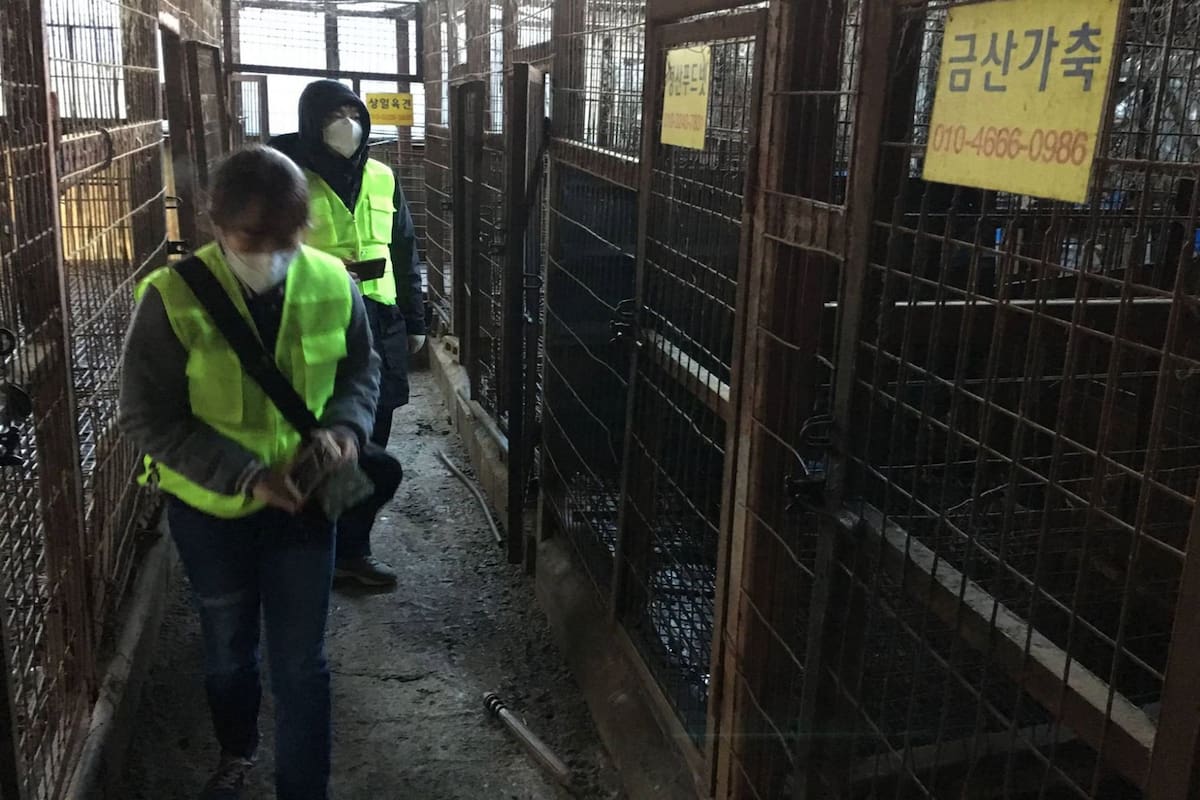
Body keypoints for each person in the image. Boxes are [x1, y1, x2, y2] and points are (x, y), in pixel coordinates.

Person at [118, 145, 380, 800]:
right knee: (230, 651)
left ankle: (303, 789)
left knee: (301, 664)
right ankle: (237, 748)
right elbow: (148, 418)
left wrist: (346, 433)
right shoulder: (171, 300)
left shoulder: (331, 281)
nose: (271, 251)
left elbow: (359, 371)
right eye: (252, 238)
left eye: (286, 236)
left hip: (306, 504)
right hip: (211, 512)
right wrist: (245, 474)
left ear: (304, 227)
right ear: (215, 224)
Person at [269, 79, 426, 589]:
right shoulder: (288, 175)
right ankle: (315, 544)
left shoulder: (382, 176)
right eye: (333, 114)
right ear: (311, 121)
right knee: (322, 438)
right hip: (315, 322)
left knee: (371, 438)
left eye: (352, 112)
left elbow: (404, 248)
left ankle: (349, 549)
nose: (346, 124)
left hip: (381, 321)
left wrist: (417, 319)